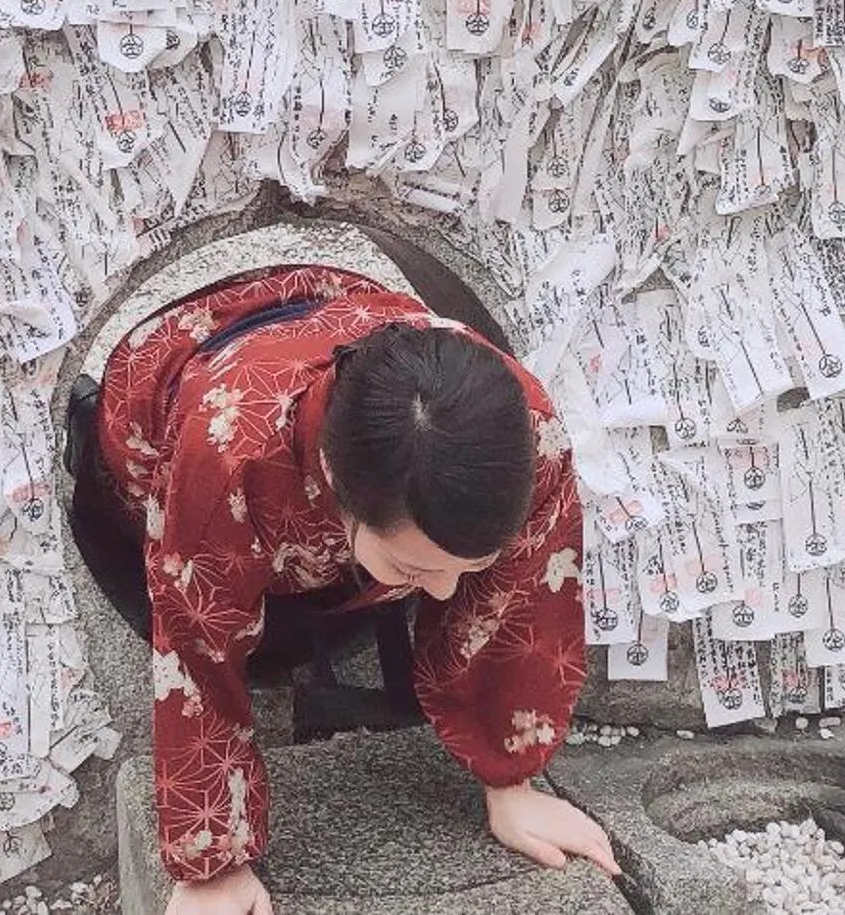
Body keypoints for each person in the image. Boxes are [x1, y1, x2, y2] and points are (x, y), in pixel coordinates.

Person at [68, 264, 613, 915]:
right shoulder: (227, 460)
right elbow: (196, 648)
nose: (441, 595)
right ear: (338, 495)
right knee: (198, 578)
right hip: (174, 396)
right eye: (415, 571)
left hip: (335, 312)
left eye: (461, 568)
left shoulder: (525, 431)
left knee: (471, 564)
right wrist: (212, 861)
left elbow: (524, 589)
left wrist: (510, 777)